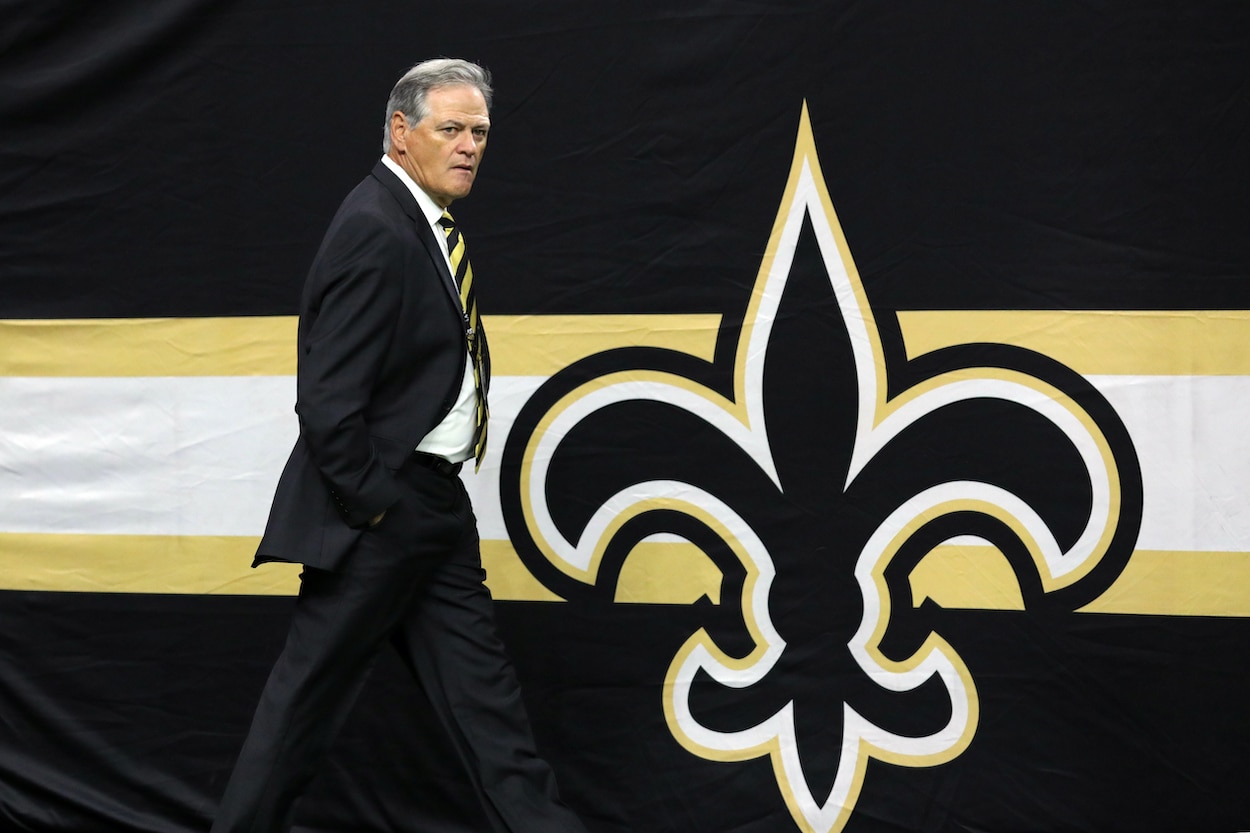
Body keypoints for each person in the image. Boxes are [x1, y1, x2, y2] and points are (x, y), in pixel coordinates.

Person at [211, 58, 588, 833]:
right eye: (450, 129)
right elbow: (325, 399)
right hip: (383, 511)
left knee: (491, 720)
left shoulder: (419, 221)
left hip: (435, 506)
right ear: (400, 131)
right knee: (298, 718)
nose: (469, 146)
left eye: (479, 132)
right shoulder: (375, 227)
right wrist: (377, 505)